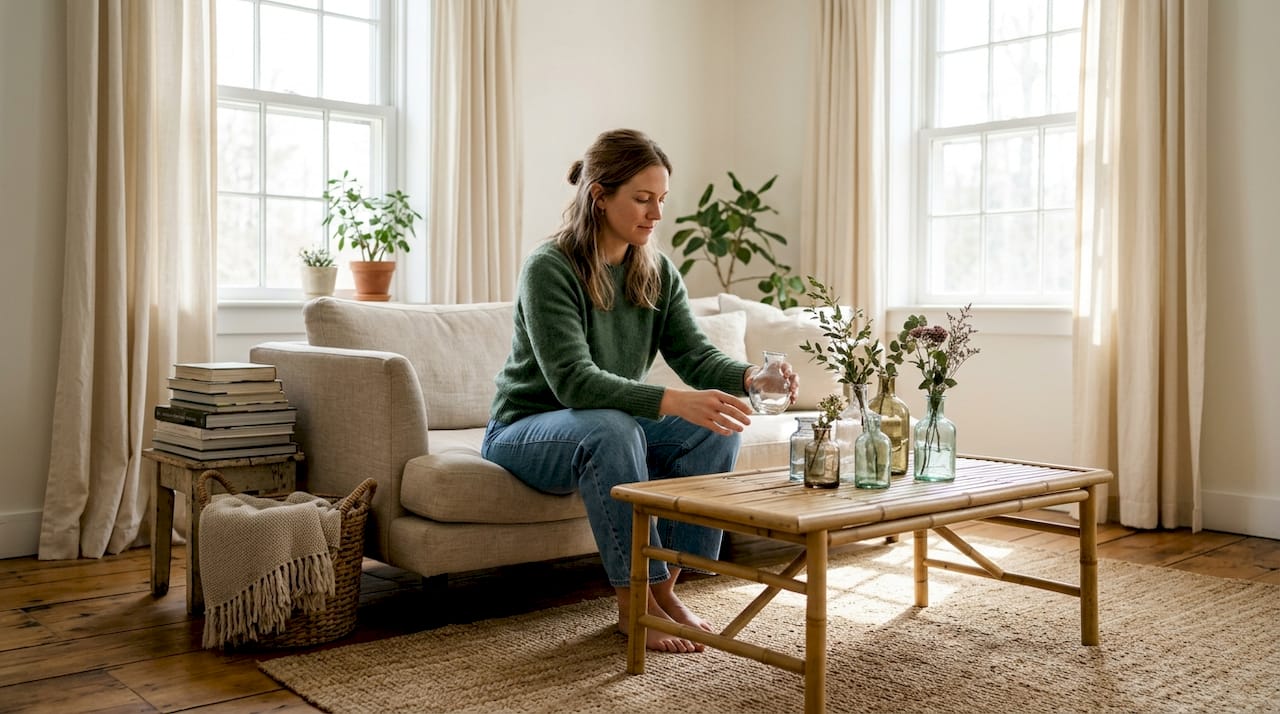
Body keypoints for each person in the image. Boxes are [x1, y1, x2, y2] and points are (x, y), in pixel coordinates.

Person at [481, 128, 800, 653]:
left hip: (603, 424)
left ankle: (662, 592)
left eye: (661, 201)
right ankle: (635, 609)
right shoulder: (550, 267)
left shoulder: (655, 269)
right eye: (642, 199)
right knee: (612, 426)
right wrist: (672, 400)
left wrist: (749, 378)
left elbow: (694, 356)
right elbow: (573, 381)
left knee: (714, 426)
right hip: (525, 428)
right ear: (599, 196)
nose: (655, 214)